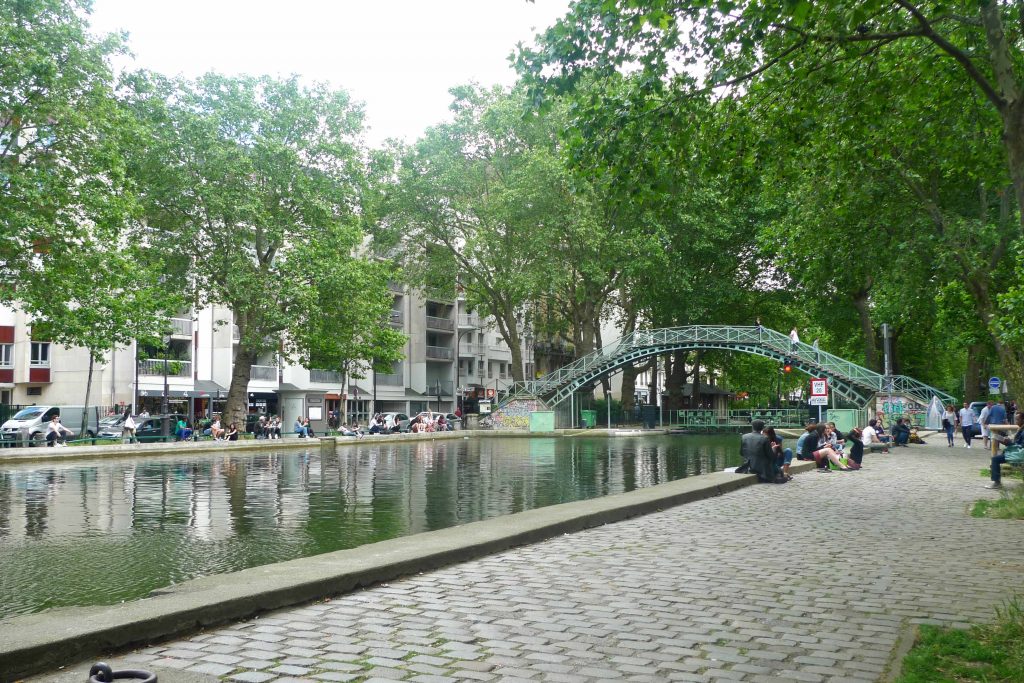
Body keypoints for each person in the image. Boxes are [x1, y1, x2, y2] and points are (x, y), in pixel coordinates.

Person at [985, 411, 1024, 489]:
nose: (1016, 422)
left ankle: (997, 483)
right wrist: (1006, 441)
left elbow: (1021, 446)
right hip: (1016, 453)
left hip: (1019, 455)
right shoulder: (1021, 429)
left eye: (1017, 420)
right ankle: (997, 482)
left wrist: (1009, 443)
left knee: (995, 459)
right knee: (996, 458)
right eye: (1015, 419)